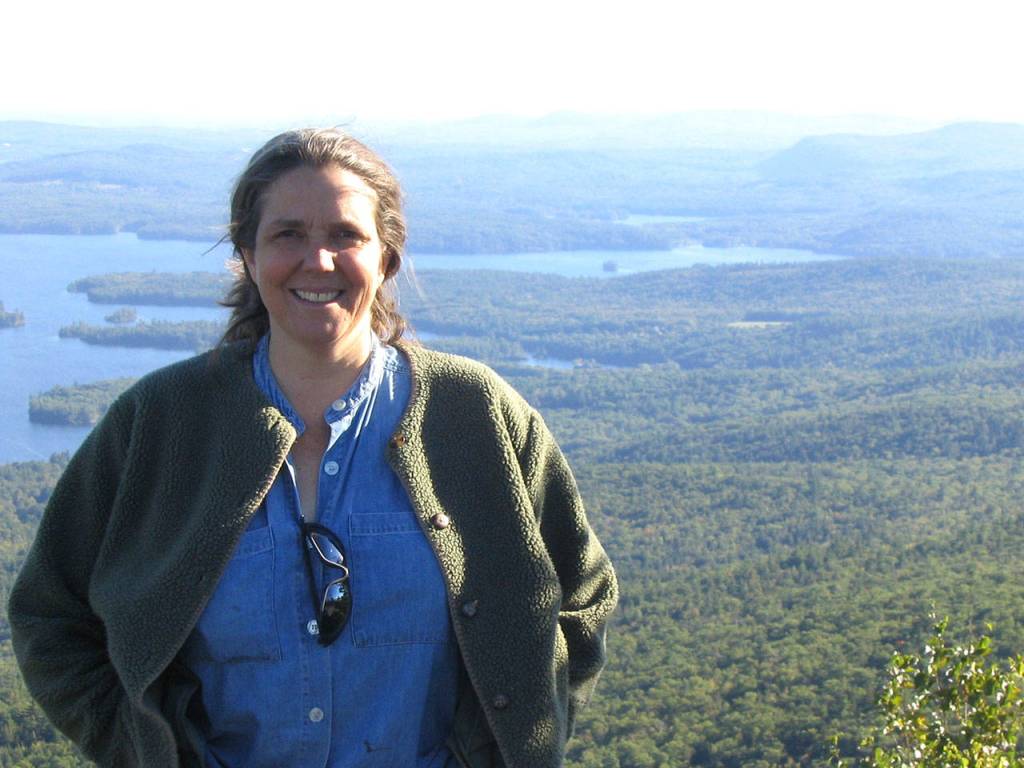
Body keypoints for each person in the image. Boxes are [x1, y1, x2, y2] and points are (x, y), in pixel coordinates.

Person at [7, 128, 618, 768]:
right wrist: (141, 748)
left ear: (386, 258)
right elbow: (50, 616)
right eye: (288, 235)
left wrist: (520, 737)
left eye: (345, 236)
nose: (318, 261)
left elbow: (583, 597)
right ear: (248, 254)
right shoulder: (160, 423)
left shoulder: (475, 414)